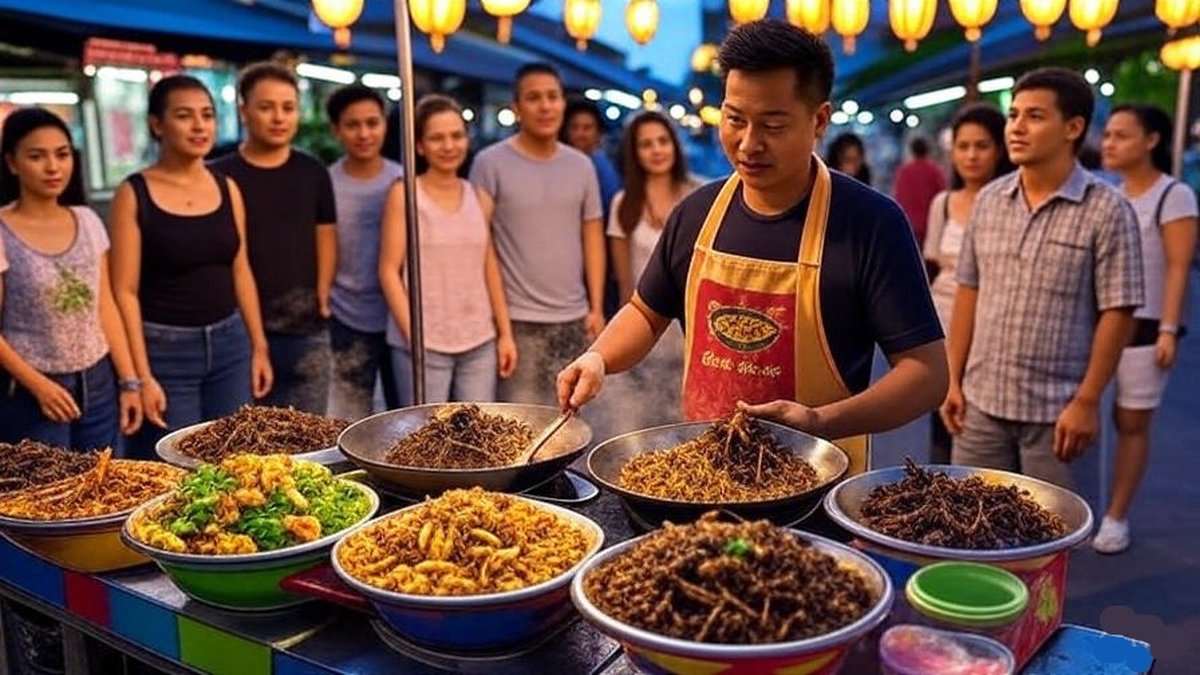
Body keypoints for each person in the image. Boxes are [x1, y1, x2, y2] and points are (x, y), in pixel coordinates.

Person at [557, 20, 948, 475]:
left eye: (772, 125)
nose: (747, 144)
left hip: (817, 486)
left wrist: (820, 422)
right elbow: (646, 312)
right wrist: (598, 358)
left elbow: (926, 375)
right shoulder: (697, 214)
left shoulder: (872, 223)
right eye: (735, 119)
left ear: (819, 119)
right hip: (702, 477)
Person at [941, 68, 1144, 489]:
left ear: (1073, 127)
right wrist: (952, 380)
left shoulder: (1106, 208)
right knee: (966, 530)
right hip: (981, 405)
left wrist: (1087, 400)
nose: (1016, 127)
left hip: (1059, 413)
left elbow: (1118, 311)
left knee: (1054, 540)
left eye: (1034, 116)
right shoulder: (991, 201)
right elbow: (968, 293)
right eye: (1013, 115)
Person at [110, 75, 272, 458]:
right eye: (184, 115)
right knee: (174, 467)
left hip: (230, 344)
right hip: (164, 351)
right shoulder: (133, 193)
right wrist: (139, 377)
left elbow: (240, 269)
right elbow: (123, 292)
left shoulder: (227, 186)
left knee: (234, 464)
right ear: (156, 124)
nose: (199, 126)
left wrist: (258, 346)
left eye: (207, 115)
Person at [0, 108, 141, 449]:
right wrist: (39, 386)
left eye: (62, 154)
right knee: (41, 497)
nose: (53, 167)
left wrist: (130, 382)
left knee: (107, 491)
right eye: (37, 156)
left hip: (99, 382)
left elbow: (105, 306)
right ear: (12, 162)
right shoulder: (2, 230)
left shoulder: (88, 219)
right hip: (32, 392)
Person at [1093, 104, 1198, 553]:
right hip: (1099, 326)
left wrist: (1170, 328)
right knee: (1087, 418)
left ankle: (1117, 514)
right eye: (1109, 134)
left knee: (1131, 421)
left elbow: (1178, 266)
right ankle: (1090, 507)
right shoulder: (1109, 193)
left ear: (1152, 140)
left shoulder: (1172, 195)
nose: (1109, 143)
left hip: (1147, 325)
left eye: (1121, 135)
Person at [469, 63, 605, 407]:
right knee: (518, 425)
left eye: (552, 97)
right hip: (517, 319)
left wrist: (597, 306)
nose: (545, 106)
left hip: (574, 317)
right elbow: (478, 242)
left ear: (563, 103)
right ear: (516, 108)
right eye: (533, 98)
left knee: (570, 422)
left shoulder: (581, 165)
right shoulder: (489, 162)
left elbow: (592, 236)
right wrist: (501, 324)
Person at [211, 62, 337, 414]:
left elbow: (326, 234)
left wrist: (324, 292)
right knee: (245, 441)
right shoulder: (219, 176)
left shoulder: (313, 171)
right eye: (266, 107)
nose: (279, 117)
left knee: (311, 438)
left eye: (288, 107)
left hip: (307, 328)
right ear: (243, 111)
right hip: (238, 333)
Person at [380, 94, 517, 403]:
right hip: (422, 341)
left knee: (480, 437)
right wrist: (413, 335)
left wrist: (504, 332)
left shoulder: (477, 195)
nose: (448, 146)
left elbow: (488, 265)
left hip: (478, 338)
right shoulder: (404, 194)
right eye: (437, 138)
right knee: (423, 439)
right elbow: (388, 270)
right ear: (420, 146)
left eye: (456, 136)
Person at [923, 104, 1013, 464]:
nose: (971, 156)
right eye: (963, 146)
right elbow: (932, 263)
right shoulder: (943, 203)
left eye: (982, 146)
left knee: (980, 429)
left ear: (1000, 150)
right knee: (942, 424)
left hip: (989, 331)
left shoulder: (1008, 204)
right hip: (943, 328)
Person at [603, 110, 699, 430]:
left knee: (689, 420)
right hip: (646, 326)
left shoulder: (699, 195)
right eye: (646, 144)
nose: (657, 150)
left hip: (693, 327)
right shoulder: (623, 203)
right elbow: (625, 281)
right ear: (634, 153)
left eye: (662, 141)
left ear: (675, 145)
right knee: (645, 421)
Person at [325, 84, 403, 419]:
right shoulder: (326, 182)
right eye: (352, 125)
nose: (364, 133)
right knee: (348, 415)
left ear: (384, 124)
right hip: (346, 314)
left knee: (406, 414)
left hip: (400, 315)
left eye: (372, 123)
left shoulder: (404, 180)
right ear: (336, 130)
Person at [563, 98, 622, 219]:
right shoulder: (559, 166)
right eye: (574, 127)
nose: (580, 134)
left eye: (587, 128)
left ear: (598, 132)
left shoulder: (606, 168)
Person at [893, 136, 947, 247]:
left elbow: (897, 196)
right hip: (929, 225)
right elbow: (943, 195)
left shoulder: (904, 171)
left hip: (908, 223)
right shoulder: (934, 170)